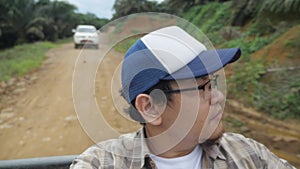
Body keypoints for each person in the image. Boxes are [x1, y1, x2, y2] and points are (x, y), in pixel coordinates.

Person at [70, 26, 295, 169]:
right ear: (150, 107)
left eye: (213, 83)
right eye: (203, 87)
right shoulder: (102, 163)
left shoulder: (248, 155)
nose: (217, 97)